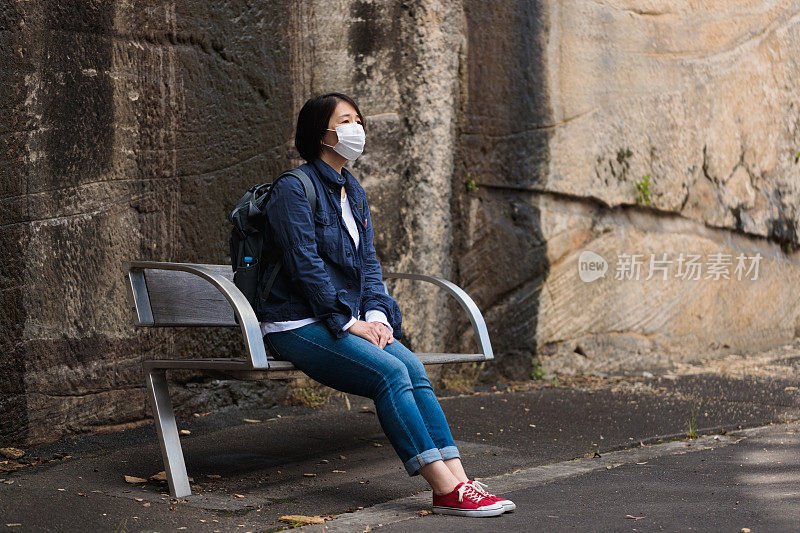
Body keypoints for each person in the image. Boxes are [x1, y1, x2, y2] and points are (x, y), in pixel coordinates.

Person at [256, 92, 515, 517]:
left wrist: (376, 315)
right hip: (295, 323)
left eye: (358, 119)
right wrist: (347, 321)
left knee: (411, 366)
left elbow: (368, 265)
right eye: (346, 120)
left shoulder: (352, 191)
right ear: (321, 133)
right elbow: (304, 264)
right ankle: (442, 487)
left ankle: (460, 483)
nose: (356, 128)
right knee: (390, 373)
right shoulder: (293, 188)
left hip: (342, 320)